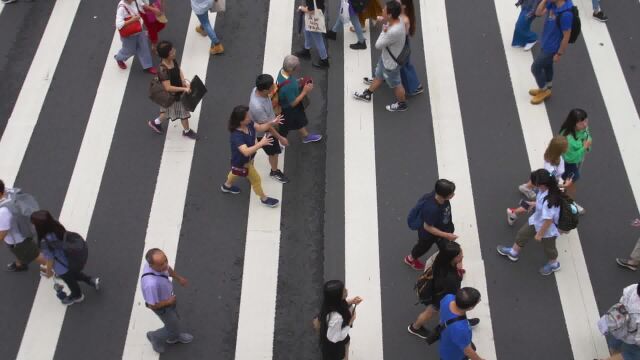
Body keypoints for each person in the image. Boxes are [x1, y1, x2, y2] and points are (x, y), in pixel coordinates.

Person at [407, 241, 479, 340]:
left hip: (436, 292)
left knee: (431, 311)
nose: (462, 255)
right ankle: (415, 327)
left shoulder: (440, 259)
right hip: (441, 298)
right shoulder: (450, 278)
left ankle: (415, 327)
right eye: (460, 255)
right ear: (452, 259)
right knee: (433, 311)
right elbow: (455, 295)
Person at [497, 169, 562, 276]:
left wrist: (540, 234)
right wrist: (533, 204)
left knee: (549, 248)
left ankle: (554, 264)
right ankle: (514, 252)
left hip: (547, 230)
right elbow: (541, 203)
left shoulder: (550, 202)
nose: (533, 186)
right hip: (537, 221)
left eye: (535, 184)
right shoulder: (546, 190)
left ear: (543, 185)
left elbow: (548, 221)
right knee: (522, 234)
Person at [31, 210, 99, 305]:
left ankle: (77, 296)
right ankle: (90, 280)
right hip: (70, 258)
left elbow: (50, 259)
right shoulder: (55, 224)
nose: (33, 226)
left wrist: (49, 271)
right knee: (73, 275)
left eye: (34, 224)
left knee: (71, 282)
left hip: (61, 266)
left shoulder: (44, 242)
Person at [220, 105, 282, 208]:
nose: (250, 117)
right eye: (247, 116)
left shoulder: (249, 124)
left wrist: (272, 122)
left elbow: (260, 127)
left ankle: (226, 185)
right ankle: (264, 198)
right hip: (243, 162)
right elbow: (245, 152)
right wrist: (261, 144)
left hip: (244, 160)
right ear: (241, 121)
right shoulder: (237, 136)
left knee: (235, 171)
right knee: (256, 179)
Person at [353, 1, 408, 112]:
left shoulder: (392, 32)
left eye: (384, 10)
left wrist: (384, 30)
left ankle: (402, 104)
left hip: (391, 64)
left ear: (390, 15)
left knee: (396, 84)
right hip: (386, 58)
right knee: (379, 75)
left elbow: (378, 45)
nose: (382, 10)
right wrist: (387, 23)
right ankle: (368, 93)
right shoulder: (400, 20)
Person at [507, 135, 569, 225]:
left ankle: (517, 206)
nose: (567, 148)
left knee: (536, 204)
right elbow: (551, 180)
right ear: (559, 150)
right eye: (565, 147)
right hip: (547, 188)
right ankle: (514, 213)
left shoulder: (553, 157)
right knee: (537, 204)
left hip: (548, 186)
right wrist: (564, 185)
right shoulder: (551, 168)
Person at [141, 248, 192, 354]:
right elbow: (152, 305)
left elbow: (167, 269)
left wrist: (178, 278)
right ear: (151, 266)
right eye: (161, 264)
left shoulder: (159, 266)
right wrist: (168, 302)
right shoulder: (150, 284)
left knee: (174, 321)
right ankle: (154, 336)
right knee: (172, 327)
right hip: (163, 307)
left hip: (169, 299)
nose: (165, 265)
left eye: (165, 260)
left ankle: (174, 337)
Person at [147, 41, 198, 139]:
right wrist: (184, 88)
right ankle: (187, 131)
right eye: (171, 52)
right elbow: (168, 87)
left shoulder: (172, 60)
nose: (174, 52)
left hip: (177, 91)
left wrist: (183, 80)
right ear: (166, 56)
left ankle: (155, 123)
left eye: (173, 49)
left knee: (168, 111)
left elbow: (178, 69)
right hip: (173, 96)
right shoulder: (163, 70)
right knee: (184, 113)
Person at [404, 179, 457, 271]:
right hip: (429, 235)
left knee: (446, 247)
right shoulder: (431, 209)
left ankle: (449, 263)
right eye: (451, 193)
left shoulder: (438, 196)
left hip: (442, 228)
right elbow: (427, 227)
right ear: (445, 196)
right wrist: (446, 235)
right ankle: (410, 259)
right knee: (422, 247)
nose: (453, 195)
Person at [529, 0, 573, 105]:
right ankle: (548, 87)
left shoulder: (566, 14)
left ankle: (544, 90)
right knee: (548, 66)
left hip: (552, 48)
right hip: (546, 42)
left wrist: (559, 54)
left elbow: (566, 37)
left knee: (535, 68)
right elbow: (538, 13)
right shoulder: (552, 4)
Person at [249, 74, 290, 184]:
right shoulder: (258, 107)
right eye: (271, 86)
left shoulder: (256, 90)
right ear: (265, 90)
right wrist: (280, 138)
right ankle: (274, 171)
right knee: (274, 153)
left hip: (266, 123)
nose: (274, 87)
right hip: (263, 134)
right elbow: (267, 127)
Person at [276, 55, 323, 143]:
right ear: (291, 69)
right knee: (287, 124)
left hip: (286, 104)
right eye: (297, 66)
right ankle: (280, 139)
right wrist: (305, 91)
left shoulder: (282, 71)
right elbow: (293, 103)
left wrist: (297, 81)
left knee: (297, 121)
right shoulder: (288, 87)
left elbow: (288, 83)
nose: (299, 66)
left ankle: (305, 136)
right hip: (289, 108)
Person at [0, 180, 43, 272]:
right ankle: (20, 264)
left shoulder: (3, 212)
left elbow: (2, 234)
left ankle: (57, 267)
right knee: (20, 252)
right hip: (22, 230)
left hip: (18, 241)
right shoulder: (8, 191)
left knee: (35, 255)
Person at [315, 280, 363, 360]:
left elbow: (341, 304)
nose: (346, 290)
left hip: (332, 342)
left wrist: (351, 301)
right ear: (337, 296)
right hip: (336, 346)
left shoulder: (330, 303)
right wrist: (351, 321)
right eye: (343, 291)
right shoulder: (336, 317)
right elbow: (335, 337)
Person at [559, 108, 591, 214]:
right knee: (571, 185)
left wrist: (586, 145)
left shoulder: (582, 128)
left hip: (576, 161)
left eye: (586, 121)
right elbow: (569, 158)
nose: (585, 125)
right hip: (569, 164)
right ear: (574, 123)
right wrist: (584, 147)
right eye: (582, 123)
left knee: (568, 183)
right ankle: (569, 202)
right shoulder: (568, 138)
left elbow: (587, 136)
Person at [439, 287, 485, 360]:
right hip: (453, 356)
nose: (479, 300)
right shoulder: (461, 329)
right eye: (478, 301)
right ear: (470, 308)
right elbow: (468, 352)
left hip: (447, 340)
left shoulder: (448, 297)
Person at [597, 283, 640, 360]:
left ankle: (613, 353)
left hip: (619, 324)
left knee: (616, 340)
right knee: (632, 355)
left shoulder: (632, 289)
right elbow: (638, 339)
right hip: (630, 336)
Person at [114, 0, 157, 74]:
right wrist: (132, 20)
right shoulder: (121, 8)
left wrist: (153, 9)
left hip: (138, 30)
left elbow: (143, 5)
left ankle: (148, 66)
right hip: (129, 35)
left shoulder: (136, 1)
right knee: (129, 50)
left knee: (144, 47)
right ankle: (119, 58)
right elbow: (118, 24)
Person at [398, 0, 424, 96]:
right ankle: (381, 76)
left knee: (403, 65)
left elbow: (401, 33)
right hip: (400, 42)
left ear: (403, 6)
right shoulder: (403, 14)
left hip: (401, 43)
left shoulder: (404, 19)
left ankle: (415, 87)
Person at [296, 0, 330, 68]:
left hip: (314, 18)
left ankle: (324, 60)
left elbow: (311, 10)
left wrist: (301, 8)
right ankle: (306, 49)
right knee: (307, 30)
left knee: (318, 39)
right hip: (319, 10)